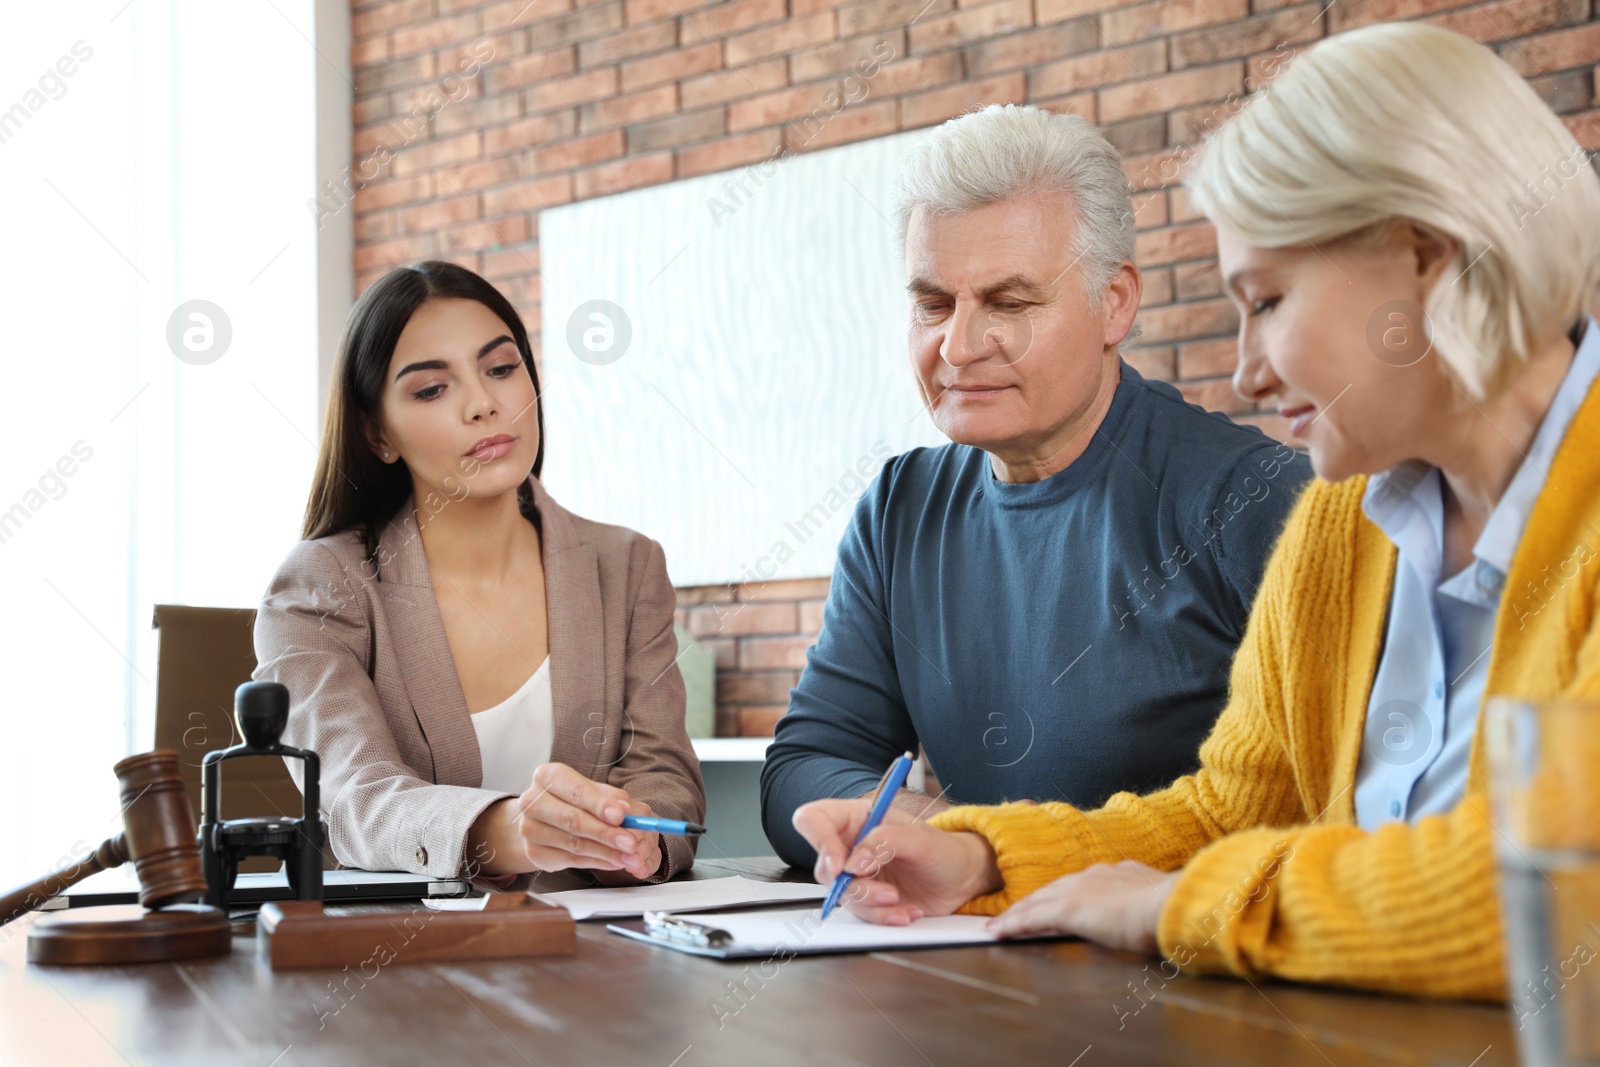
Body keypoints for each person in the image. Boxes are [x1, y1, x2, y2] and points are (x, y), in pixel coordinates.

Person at [792, 21, 1600, 1001]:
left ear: (1422, 257)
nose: (1244, 371)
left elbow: (1554, 895)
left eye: (1264, 302)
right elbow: (1231, 812)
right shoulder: (1343, 522)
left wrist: (1178, 904)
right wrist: (978, 855)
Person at [761, 103, 1312, 867]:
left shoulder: (1255, 500)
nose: (957, 344)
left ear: (1114, 303)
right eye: (932, 303)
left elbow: (1334, 811)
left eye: (1009, 304)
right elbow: (803, 765)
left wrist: (994, 847)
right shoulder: (899, 510)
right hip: (974, 962)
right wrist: (918, 825)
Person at [252, 260, 704, 891]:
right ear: (377, 432)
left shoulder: (625, 565)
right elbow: (357, 800)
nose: (485, 405)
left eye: (500, 368)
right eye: (431, 389)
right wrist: (514, 830)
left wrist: (639, 833)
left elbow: (664, 773)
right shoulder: (319, 586)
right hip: (393, 964)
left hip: (597, 953)